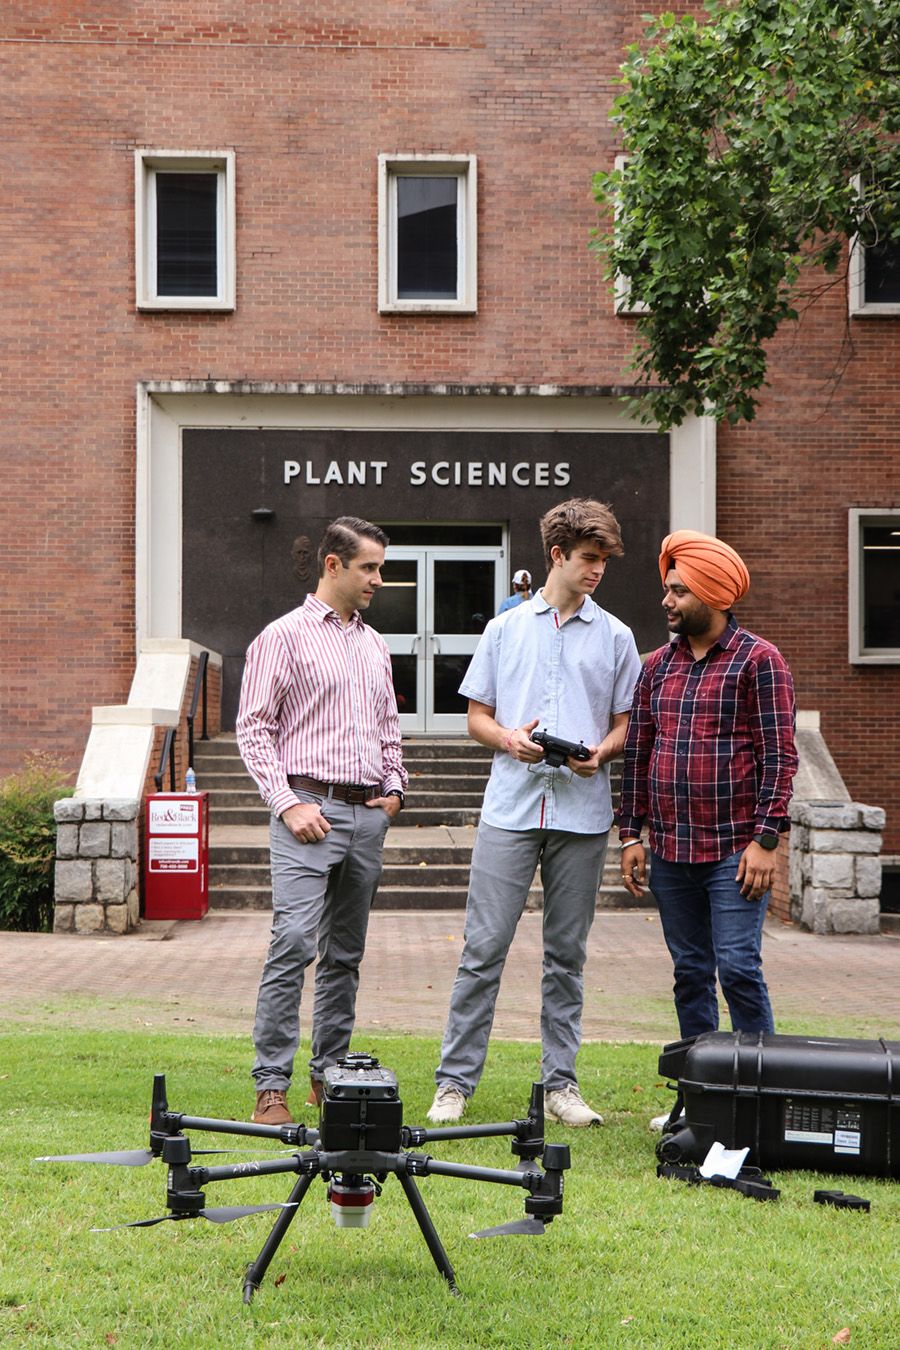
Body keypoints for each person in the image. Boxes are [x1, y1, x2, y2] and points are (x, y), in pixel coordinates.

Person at [427, 499, 642, 1127]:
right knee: (482, 950)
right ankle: (454, 1084)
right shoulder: (504, 631)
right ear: (557, 555)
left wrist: (602, 751)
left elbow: (626, 724)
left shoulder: (618, 637)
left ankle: (561, 1086)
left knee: (566, 956)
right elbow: (475, 718)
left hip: (582, 813)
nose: (598, 570)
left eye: (603, 560)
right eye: (588, 559)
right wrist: (509, 740)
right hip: (510, 809)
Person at [617, 530, 798, 1128]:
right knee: (690, 974)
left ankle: (762, 1099)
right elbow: (638, 754)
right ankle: (700, 1100)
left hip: (734, 851)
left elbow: (780, 756)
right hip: (668, 851)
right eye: (667, 589)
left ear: (712, 595)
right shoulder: (655, 668)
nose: (666, 600)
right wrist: (630, 834)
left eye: (677, 590)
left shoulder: (759, 661)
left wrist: (766, 838)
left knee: (739, 969)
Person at [236, 516, 407, 1126]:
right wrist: (287, 803)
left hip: (366, 816)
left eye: (380, 569)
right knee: (293, 946)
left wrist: (394, 792)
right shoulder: (281, 637)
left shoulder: (374, 643)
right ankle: (270, 1089)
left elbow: (389, 728)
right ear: (333, 565)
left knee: (345, 957)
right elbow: (253, 729)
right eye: (369, 568)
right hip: (306, 812)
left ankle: (330, 1079)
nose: (378, 580)